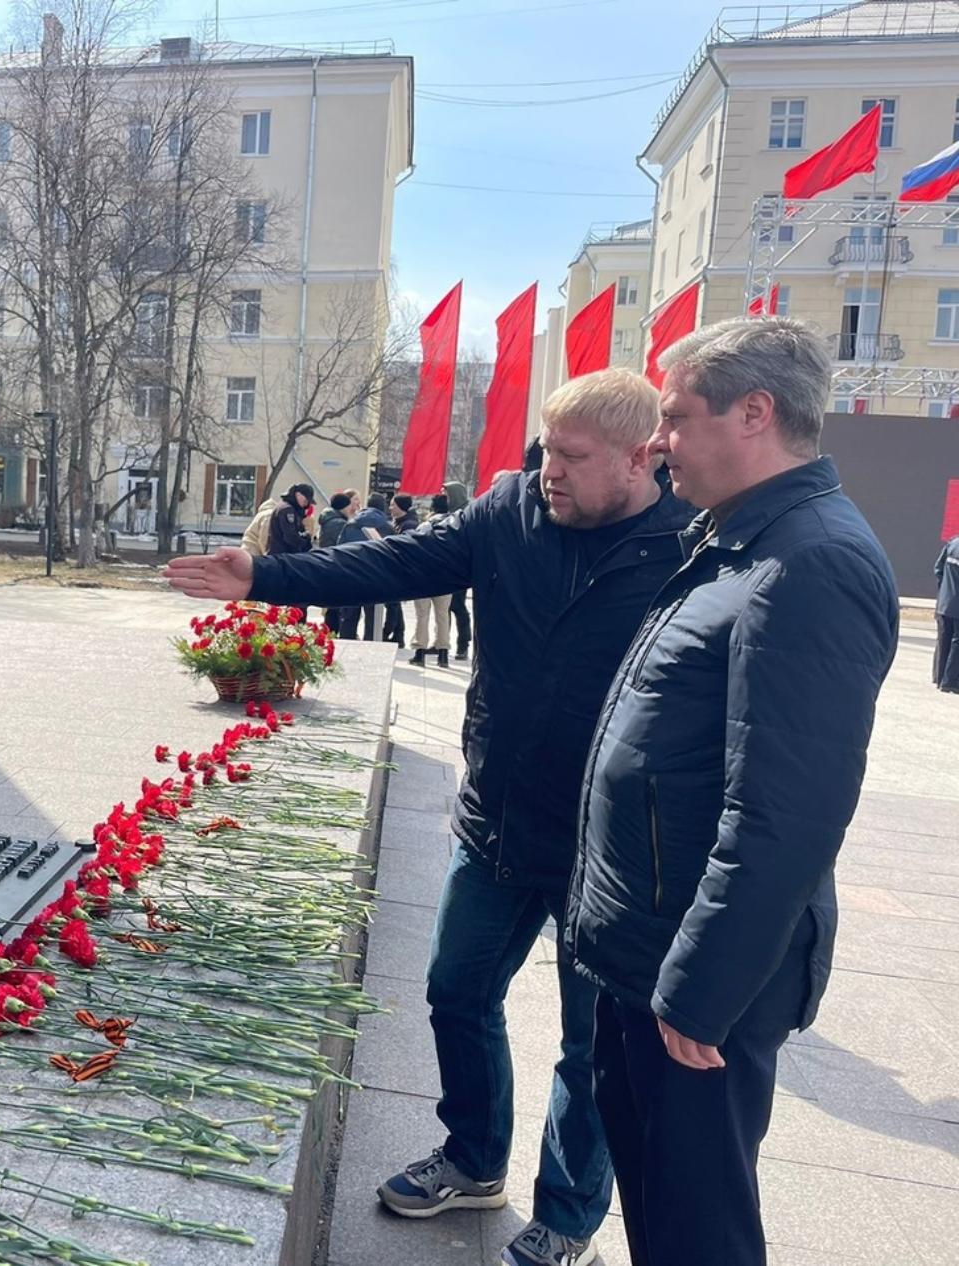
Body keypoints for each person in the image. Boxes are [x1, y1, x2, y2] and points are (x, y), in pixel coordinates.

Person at [164, 368, 696, 1266]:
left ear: (641, 457)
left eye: (571, 457)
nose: (549, 472)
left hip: (613, 854)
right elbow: (388, 562)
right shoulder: (510, 511)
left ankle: (567, 1218)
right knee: (456, 991)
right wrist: (263, 575)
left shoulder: (689, 546)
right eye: (545, 452)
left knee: (590, 1044)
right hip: (497, 822)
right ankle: (474, 1156)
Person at [567, 319, 898, 1266]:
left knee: (698, 1233)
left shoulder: (811, 562)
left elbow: (785, 815)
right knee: (665, 1219)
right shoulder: (743, 537)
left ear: (755, 413)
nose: (657, 441)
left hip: (696, 982)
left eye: (674, 417)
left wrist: (698, 993)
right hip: (649, 952)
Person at [338, 492, 395, 640]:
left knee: (349, 618)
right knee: (373, 620)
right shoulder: (387, 527)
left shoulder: (350, 524)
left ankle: (346, 649)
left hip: (351, 576)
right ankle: (370, 652)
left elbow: (339, 550)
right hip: (375, 579)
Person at [408, 494, 454, 667]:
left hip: (425, 574)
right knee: (443, 615)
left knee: (422, 614)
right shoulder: (454, 524)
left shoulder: (425, 526)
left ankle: (420, 653)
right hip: (447, 575)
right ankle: (443, 654)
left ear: (432, 508)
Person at [319, 491, 360, 634]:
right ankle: (333, 633)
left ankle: (331, 632)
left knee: (333, 605)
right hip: (336, 566)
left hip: (330, 565)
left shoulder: (331, 520)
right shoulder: (338, 524)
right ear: (344, 507)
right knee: (336, 606)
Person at [382, 494, 419, 645]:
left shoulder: (408, 525)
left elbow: (406, 547)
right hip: (397, 567)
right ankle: (398, 635)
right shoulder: (398, 522)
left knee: (393, 603)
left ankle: (387, 633)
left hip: (401, 568)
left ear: (401, 507)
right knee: (395, 604)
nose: (390, 508)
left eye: (393, 505)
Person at [443, 481, 474, 659]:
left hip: (461, 568)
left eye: (447, 495)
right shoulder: (449, 514)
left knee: (457, 606)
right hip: (447, 567)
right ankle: (442, 644)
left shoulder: (466, 514)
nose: (444, 499)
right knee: (445, 608)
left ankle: (463, 643)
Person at [936, 533, 959, 692]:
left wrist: (943, 591)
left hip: (944, 601)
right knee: (957, 642)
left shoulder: (953, 543)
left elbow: (938, 569)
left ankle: (938, 677)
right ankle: (950, 681)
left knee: (943, 639)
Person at [268, 483, 315, 555]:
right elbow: (290, 536)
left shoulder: (287, 508)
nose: (307, 504)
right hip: (282, 555)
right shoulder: (287, 510)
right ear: (298, 495)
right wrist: (304, 542)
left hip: (280, 554)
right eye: (305, 500)